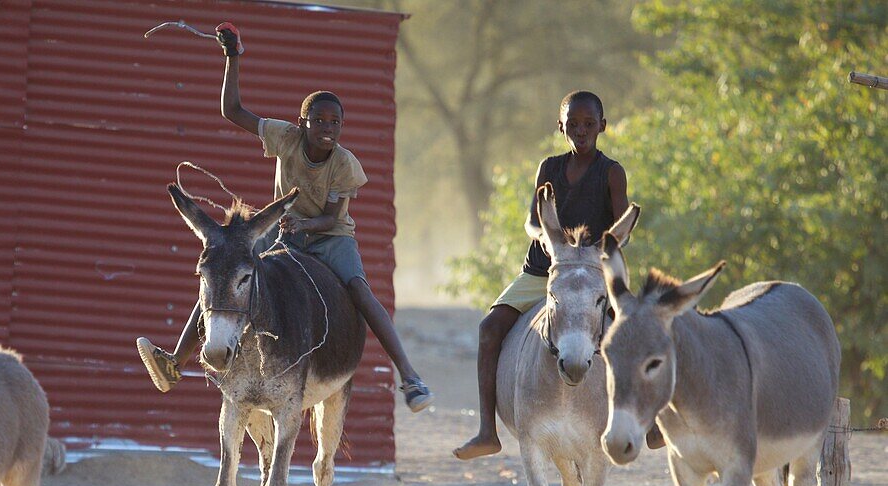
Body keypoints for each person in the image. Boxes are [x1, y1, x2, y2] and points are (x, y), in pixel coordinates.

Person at [137, 24, 434, 412]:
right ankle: (176, 361)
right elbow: (232, 111)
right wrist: (233, 57)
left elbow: (331, 218)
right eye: (320, 121)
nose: (328, 130)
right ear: (302, 122)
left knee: (360, 291)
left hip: (330, 237)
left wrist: (303, 226)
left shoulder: (345, 164)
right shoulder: (284, 137)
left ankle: (410, 376)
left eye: (335, 123)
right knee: (225, 262)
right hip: (283, 231)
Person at [453, 90, 630, 460]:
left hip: (593, 270)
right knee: (489, 328)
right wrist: (547, 241)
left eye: (589, 125)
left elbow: (619, 228)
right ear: (560, 126)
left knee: (631, 332)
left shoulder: (611, 172)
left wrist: (595, 258)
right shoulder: (549, 167)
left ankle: (647, 422)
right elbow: (533, 221)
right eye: (573, 125)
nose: (581, 132)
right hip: (542, 268)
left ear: (602, 127)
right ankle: (488, 431)